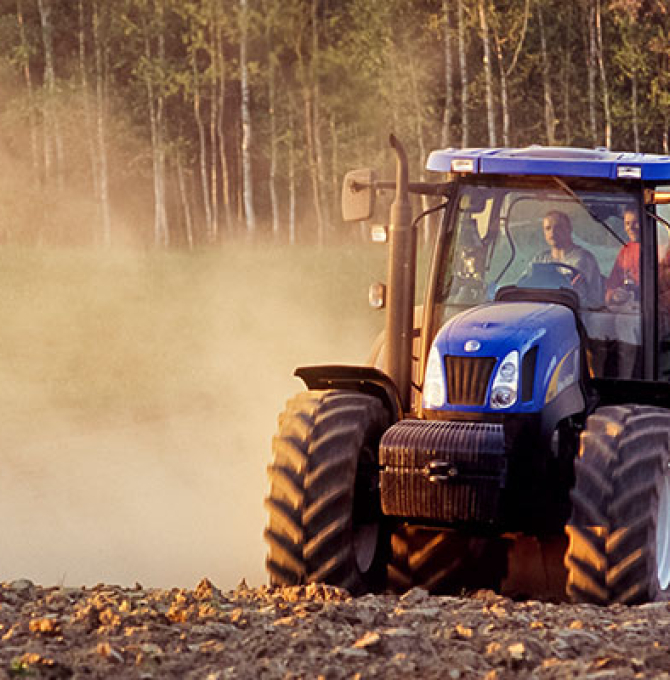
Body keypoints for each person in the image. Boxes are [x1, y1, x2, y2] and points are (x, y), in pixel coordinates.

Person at [531, 210, 604, 306]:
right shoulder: (539, 260)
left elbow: (592, 300)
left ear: (569, 229)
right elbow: (524, 284)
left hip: (578, 313)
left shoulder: (583, 259)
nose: (552, 232)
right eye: (548, 228)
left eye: (558, 227)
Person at [606, 208, 640, 304]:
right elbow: (612, 284)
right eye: (627, 224)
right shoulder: (626, 250)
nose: (631, 228)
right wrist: (614, 295)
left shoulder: (659, 249)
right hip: (627, 310)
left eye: (636, 222)